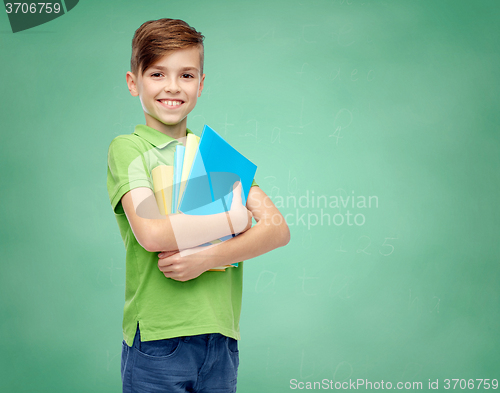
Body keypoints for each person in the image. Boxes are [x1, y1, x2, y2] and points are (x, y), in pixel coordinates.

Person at [107, 18, 290, 393]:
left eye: (186, 75)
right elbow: (151, 232)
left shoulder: (216, 154)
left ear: (201, 85)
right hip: (158, 339)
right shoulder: (129, 149)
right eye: (157, 74)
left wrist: (207, 257)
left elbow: (276, 228)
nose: (172, 87)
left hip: (221, 340)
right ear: (133, 82)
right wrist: (234, 218)